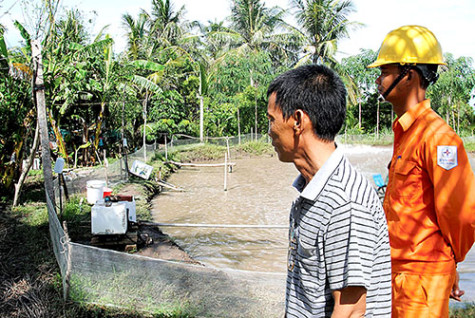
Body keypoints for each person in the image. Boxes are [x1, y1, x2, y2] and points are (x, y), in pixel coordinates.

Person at [267, 64, 392, 317]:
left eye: (271, 120)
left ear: (298, 121)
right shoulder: (313, 189)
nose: (269, 131)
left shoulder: (344, 202)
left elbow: (352, 310)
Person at [367, 25, 475, 318]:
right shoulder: (406, 132)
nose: (378, 80)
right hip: (397, 273)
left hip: (421, 279)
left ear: (409, 76)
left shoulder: (438, 138)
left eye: (385, 71)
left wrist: (448, 261)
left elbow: (463, 215)